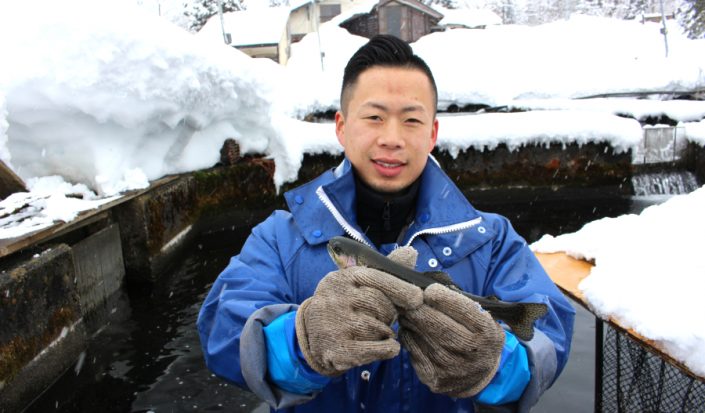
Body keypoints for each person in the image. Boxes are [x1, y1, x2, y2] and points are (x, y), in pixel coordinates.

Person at [197, 34, 575, 413]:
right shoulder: (279, 237)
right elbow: (223, 331)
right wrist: (300, 343)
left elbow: (548, 343)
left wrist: (496, 364)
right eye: (374, 117)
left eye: (411, 120)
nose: (392, 139)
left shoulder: (492, 240)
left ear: (432, 133)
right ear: (342, 127)